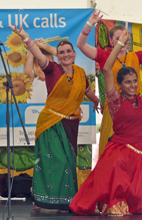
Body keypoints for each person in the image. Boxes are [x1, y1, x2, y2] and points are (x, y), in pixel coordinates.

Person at [9, 24, 100, 211]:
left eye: (68, 51)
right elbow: (39, 54)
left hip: (70, 125)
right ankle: (42, 199)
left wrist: (97, 101)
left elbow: (87, 90)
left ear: (74, 54)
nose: (65, 54)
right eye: (61, 52)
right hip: (51, 123)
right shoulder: (52, 69)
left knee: (68, 162)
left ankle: (65, 200)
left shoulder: (81, 73)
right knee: (53, 160)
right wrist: (26, 38)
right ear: (57, 56)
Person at [69, 30, 142, 216]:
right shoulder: (116, 100)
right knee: (118, 178)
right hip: (120, 152)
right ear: (120, 84)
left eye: (134, 81)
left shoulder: (141, 101)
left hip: (140, 153)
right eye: (128, 82)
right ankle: (112, 202)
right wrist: (120, 44)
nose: (133, 85)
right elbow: (108, 69)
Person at [77, 10, 142, 161]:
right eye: (119, 38)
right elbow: (80, 44)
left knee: (138, 155)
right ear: (111, 40)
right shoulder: (103, 56)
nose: (123, 41)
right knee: (113, 158)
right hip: (114, 112)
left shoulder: (136, 56)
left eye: (126, 38)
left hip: (135, 110)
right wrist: (89, 23)